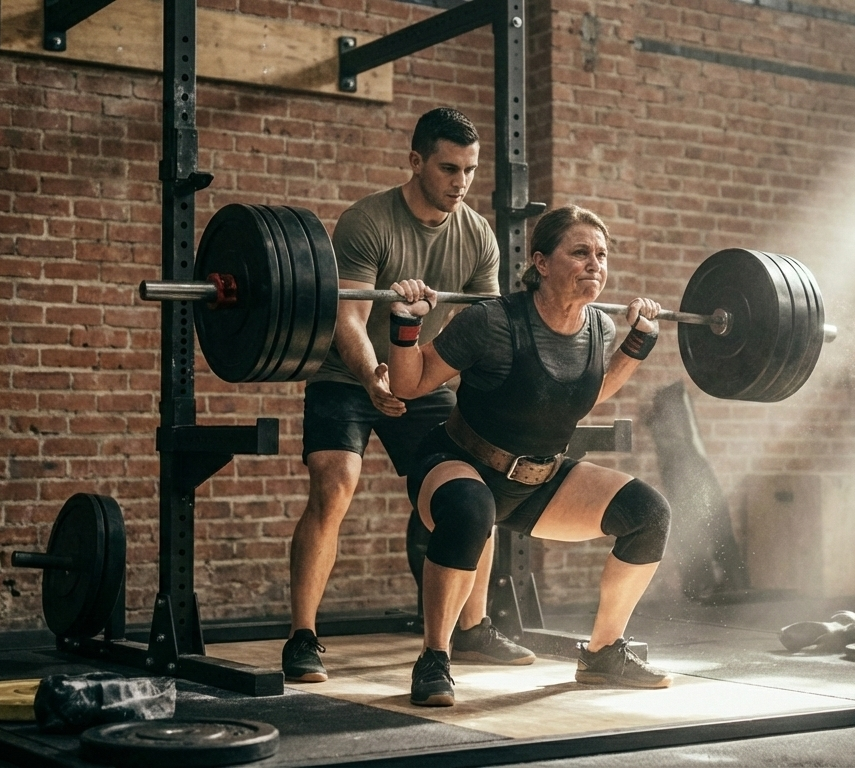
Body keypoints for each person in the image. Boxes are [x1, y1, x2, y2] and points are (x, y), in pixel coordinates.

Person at [283, 108, 535, 682]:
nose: (460, 183)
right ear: (416, 161)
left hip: (419, 377)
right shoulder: (367, 221)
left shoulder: (479, 237)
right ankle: (302, 636)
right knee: (334, 485)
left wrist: (419, 376)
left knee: (476, 485)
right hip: (347, 376)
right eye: (448, 168)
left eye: (470, 170)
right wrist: (375, 372)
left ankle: (469, 630)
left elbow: (478, 333)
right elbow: (347, 315)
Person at [386, 204, 674, 707]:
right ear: (540, 262)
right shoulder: (491, 321)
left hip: (536, 481)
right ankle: (435, 656)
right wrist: (406, 325)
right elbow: (410, 384)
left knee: (648, 514)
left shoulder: (600, 330)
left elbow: (588, 392)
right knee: (473, 511)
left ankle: (604, 654)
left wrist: (639, 342)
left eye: (602, 255)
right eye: (580, 252)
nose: (595, 265)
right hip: (457, 463)